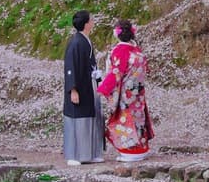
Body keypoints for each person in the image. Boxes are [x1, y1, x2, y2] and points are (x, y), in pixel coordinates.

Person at [97, 20, 154, 162]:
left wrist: (103, 88)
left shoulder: (120, 50)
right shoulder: (137, 51)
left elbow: (116, 72)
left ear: (117, 34)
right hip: (138, 92)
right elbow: (146, 70)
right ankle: (141, 148)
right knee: (138, 118)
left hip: (125, 93)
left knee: (124, 119)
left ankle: (131, 150)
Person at [62, 10, 105, 166]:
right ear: (86, 23)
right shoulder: (75, 43)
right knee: (76, 119)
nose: (93, 21)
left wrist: (98, 77)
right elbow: (70, 67)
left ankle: (90, 153)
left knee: (91, 118)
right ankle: (74, 155)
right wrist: (72, 89)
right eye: (91, 19)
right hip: (79, 87)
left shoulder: (86, 40)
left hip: (89, 85)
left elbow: (91, 64)